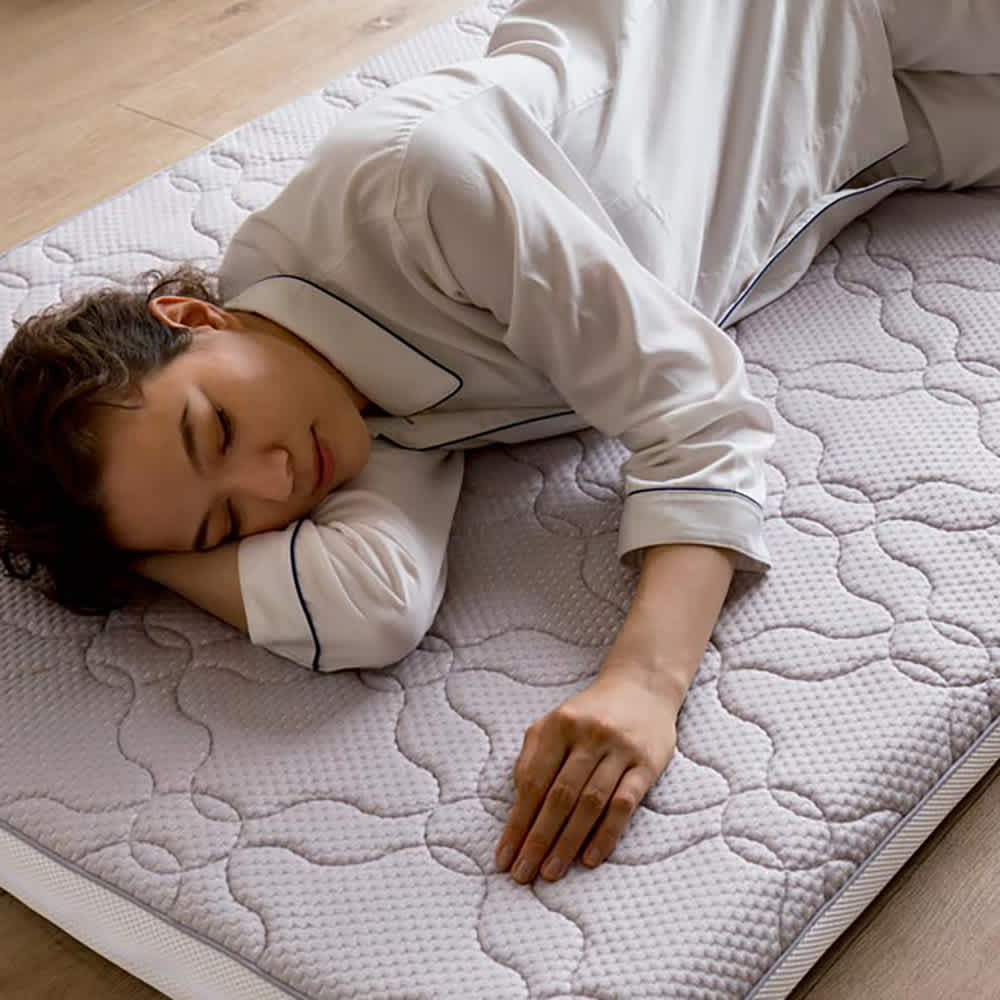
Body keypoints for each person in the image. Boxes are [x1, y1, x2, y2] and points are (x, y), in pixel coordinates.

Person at [1, 0, 998, 887]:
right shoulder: (343, 421)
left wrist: (643, 684)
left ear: (192, 316)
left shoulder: (418, 186)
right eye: (226, 522)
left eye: (214, 427)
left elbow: (699, 415)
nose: (275, 480)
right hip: (850, 147)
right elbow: (366, 608)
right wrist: (133, 550)